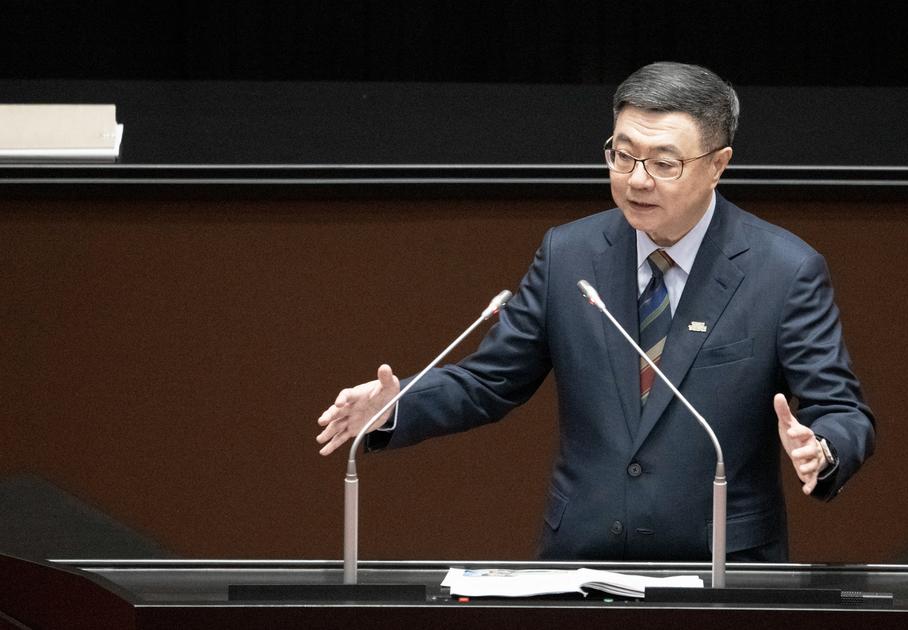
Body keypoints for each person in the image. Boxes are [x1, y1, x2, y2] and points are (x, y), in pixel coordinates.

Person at [316, 61, 875, 562]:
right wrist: (397, 405)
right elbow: (490, 381)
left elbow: (841, 408)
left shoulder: (783, 270)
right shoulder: (570, 254)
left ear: (717, 165)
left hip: (720, 566)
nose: (637, 180)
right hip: (581, 559)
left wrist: (824, 449)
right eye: (623, 155)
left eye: (664, 163)